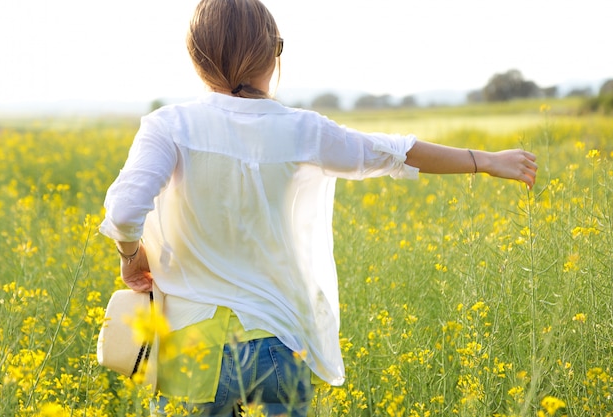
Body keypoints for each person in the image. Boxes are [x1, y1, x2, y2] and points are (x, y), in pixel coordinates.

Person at [99, 0, 538, 415]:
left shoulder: (168, 127)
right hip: (278, 344)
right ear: (271, 55)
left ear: (197, 58)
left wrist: (131, 257)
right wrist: (487, 161)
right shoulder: (301, 128)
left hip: (191, 347)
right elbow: (394, 151)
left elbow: (123, 210)